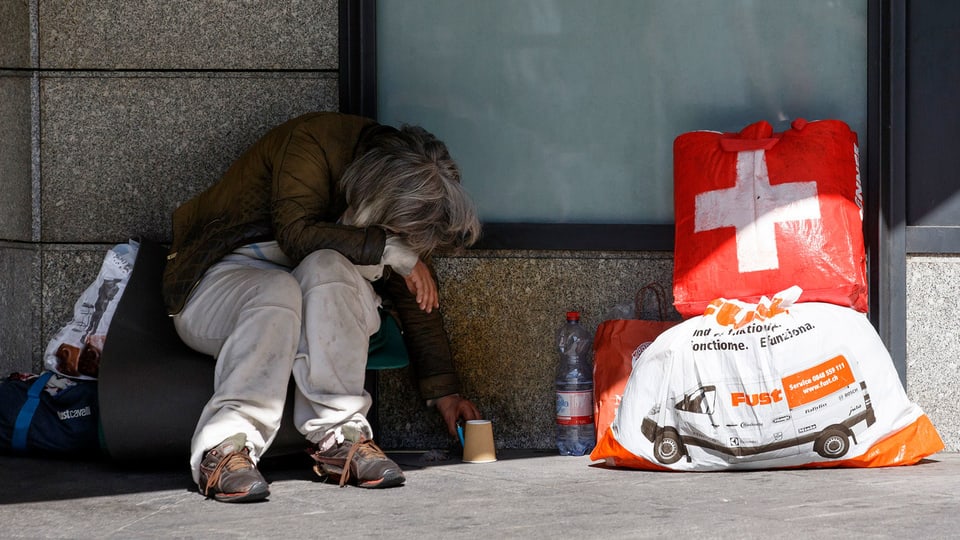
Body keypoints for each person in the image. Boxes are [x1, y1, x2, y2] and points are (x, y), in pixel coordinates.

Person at [161, 112, 483, 502]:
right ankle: (225, 447)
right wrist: (386, 247)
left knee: (328, 265)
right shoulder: (311, 143)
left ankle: (341, 439)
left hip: (312, 298)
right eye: (394, 234)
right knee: (277, 290)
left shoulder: (399, 192)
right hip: (219, 288)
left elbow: (417, 293)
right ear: (377, 198)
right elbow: (296, 233)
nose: (399, 245)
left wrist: (444, 390)